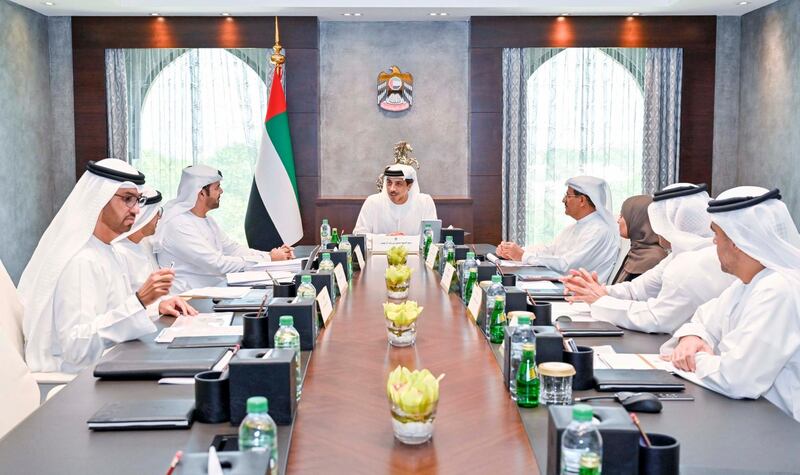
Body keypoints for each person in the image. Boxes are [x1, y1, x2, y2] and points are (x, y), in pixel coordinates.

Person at [19, 159, 195, 373]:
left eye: (137, 200)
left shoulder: (109, 251)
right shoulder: (81, 260)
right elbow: (77, 347)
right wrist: (140, 301)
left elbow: (112, 314)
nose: (136, 211)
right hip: (79, 381)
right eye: (127, 200)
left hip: (111, 365)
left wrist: (154, 307)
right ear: (99, 199)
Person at [660, 186, 800, 421]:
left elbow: (738, 378)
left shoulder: (778, 289)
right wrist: (693, 338)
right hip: (748, 413)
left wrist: (693, 357)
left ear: (736, 240)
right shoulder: (750, 282)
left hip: (779, 428)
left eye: (717, 234)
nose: (713, 241)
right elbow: (703, 319)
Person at [562, 183, 734, 334]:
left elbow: (657, 317)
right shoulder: (679, 254)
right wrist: (597, 291)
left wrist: (600, 301)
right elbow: (637, 290)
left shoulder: (693, 263)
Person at [154, 164, 294, 293]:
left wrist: (271, 255)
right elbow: (217, 264)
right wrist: (269, 258)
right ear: (201, 193)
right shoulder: (178, 225)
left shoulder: (207, 220)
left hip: (215, 291)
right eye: (217, 187)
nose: (221, 191)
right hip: (192, 299)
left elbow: (232, 249)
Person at [496, 176, 619, 282]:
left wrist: (523, 256)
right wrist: (513, 251)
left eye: (568, 196)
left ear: (582, 200)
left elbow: (566, 266)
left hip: (578, 298)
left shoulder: (599, 231)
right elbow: (551, 250)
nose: (563, 200)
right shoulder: (576, 227)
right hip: (562, 287)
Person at [352, 164, 437, 236]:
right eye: (389, 183)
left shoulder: (425, 202)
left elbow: (432, 235)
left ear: (409, 186)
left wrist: (405, 241)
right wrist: (386, 238)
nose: (392, 189)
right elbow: (358, 234)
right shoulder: (372, 202)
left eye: (398, 183)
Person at [113, 186, 162, 291]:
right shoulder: (119, 252)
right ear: (146, 215)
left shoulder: (145, 243)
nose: (159, 217)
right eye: (157, 211)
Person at [612, 195, 667, 283]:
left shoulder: (653, 258)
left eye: (622, 216)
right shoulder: (638, 250)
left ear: (637, 220)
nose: (618, 221)